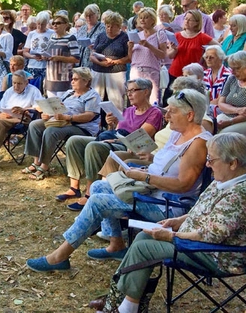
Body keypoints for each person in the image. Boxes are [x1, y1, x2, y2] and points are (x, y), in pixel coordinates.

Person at [25, 89, 211, 271]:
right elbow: (170, 166)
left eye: (172, 111)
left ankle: (59, 256)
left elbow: (183, 184)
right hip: (152, 191)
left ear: (190, 115)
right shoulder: (178, 133)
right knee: (99, 185)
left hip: (168, 207)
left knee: (98, 201)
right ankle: (116, 244)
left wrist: (145, 176)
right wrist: (150, 162)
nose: (167, 115)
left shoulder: (197, 143)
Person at [93, 132, 246, 313]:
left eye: (211, 160)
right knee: (143, 236)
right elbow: (201, 211)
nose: (207, 164)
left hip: (217, 256)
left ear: (233, 163)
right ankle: (128, 303)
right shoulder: (224, 180)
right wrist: (177, 220)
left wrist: (172, 236)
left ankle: (122, 304)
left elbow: (211, 235)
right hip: (198, 243)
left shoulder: (238, 193)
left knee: (144, 248)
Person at [58, 79, 164, 211]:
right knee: (74, 141)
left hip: (130, 148)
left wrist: (113, 140)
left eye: (133, 90)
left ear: (146, 92)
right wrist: (111, 124)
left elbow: (138, 138)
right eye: (128, 91)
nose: (129, 94)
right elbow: (116, 131)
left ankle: (89, 192)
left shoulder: (154, 113)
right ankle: (74, 187)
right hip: (115, 140)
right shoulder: (128, 110)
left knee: (94, 147)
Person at [23, 67, 102, 180]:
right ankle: (37, 161)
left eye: (75, 79)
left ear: (86, 81)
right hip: (61, 122)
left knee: (51, 131)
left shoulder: (92, 96)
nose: (72, 81)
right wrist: (48, 114)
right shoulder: (69, 93)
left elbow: (89, 116)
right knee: (34, 125)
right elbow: (56, 107)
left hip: (81, 127)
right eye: (72, 79)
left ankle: (44, 167)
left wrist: (68, 117)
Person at [90, 12, 130, 112]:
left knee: (116, 101)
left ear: (119, 26)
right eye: (108, 26)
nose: (109, 29)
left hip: (116, 72)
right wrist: (100, 63)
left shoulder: (124, 37)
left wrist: (115, 61)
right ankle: (97, 123)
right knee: (95, 99)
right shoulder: (101, 36)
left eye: (113, 27)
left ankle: (116, 125)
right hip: (98, 71)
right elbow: (92, 55)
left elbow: (129, 58)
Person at [127, 7, 168, 104]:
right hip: (135, 70)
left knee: (152, 100)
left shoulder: (160, 34)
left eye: (145, 17)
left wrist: (149, 46)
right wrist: (129, 47)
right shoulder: (137, 35)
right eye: (140, 18)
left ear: (152, 20)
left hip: (151, 71)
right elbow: (130, 58)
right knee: (135, 99)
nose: (142, 20)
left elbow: (163, 55)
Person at [168, 9, 217, 86]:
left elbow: (218, 47)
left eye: (190, 20)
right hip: (176, 72)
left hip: (192, 74)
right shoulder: (176, 35)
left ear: (197, 22)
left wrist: (206, 56)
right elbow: (170, 56)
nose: (186, 21)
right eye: (186, 19)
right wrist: (174, 49)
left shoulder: (202, 37)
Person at [43, 13, 79, 97]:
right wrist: (44, 56)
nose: (55, 25)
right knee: (52, 106)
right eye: (53, 23)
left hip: (64, 78)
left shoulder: (71, 38)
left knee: (62, 106)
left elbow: (76, 58)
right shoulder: (52, 37)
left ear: (66, 25)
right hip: (50, 77)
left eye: (58, 23)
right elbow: (48, 52)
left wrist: (59, 58)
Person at [216, 50, 246, 133]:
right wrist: (237, 110)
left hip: (242, 121)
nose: (232, 72)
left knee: (224, 134)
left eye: (236, 68)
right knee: (208, 126)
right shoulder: (232, 78)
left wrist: (230, 122)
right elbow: (221, 103)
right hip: (226, 116)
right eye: (231, 68)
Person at [22, 11, 52, 80]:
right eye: (38, 24)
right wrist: (33, 56)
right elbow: (25, 52)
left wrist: (47, 57)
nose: (40, 26)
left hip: (46, 66)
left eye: (43, 24)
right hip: (33, 66)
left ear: (47, 23)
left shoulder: (52, 33)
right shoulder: (31, 34)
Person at [202, 45, 231, 111]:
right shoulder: (205, 74)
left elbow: (220, 100)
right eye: (206, 57)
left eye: (211, 57)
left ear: (220, 59)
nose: (208, 59)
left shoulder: (228, 75)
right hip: (206, 107)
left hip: (220, 109)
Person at [77, 3, 105, 68]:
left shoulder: (103, 28)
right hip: (81, 62)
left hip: (94, 62)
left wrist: (95, 46)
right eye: (86, 15)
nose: (88, 18)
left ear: (97, 15)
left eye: (91, 15)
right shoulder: (82, 28)